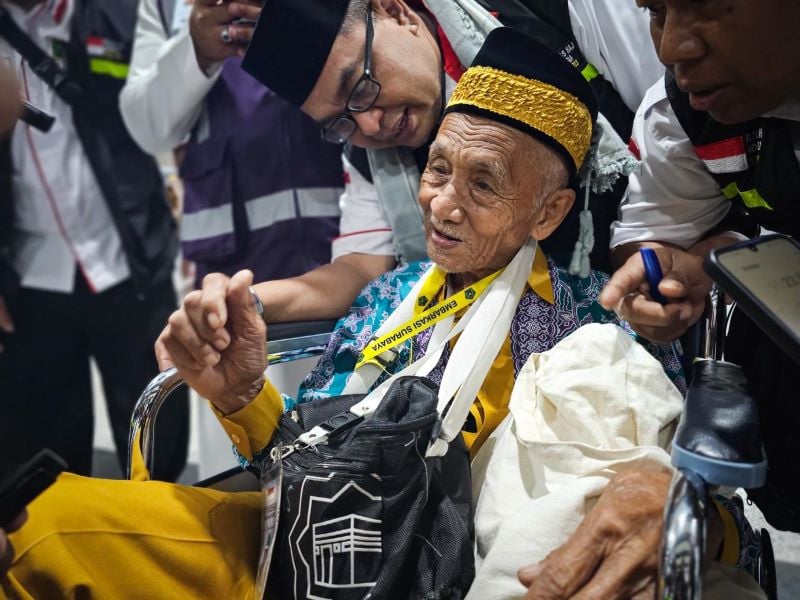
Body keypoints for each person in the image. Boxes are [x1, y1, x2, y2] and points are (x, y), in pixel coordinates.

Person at [3, 29, 681, 597]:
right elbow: (301, 459)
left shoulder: (588, 329)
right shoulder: (394, 297)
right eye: (438, 169)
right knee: (40, 520)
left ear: (550, 211)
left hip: (425, 572)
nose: (442, 204)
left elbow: (661, 488)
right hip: (302, 541)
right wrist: (242, 396)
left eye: (483, 183)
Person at [520, 1, 800, 597]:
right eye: (656, 12)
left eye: (709, 8)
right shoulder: (685, 110)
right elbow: (654, 230)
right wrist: (672, 270)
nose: (672, 47)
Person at [222, 0, 663, 325]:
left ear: (396, 12)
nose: (370, 125)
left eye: (360, 87)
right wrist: (247, 302)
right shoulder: (369, 158)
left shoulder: (544, 15)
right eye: (341, 120)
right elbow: (360, 269)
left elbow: (675, 128)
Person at [0, 0, 188, 481]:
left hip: (132, 263)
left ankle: (161, 549)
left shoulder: (122, 11)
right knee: (46, 465)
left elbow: (166, 110)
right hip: (28, 284)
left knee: (156, 441)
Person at [119, 0, 345, 287]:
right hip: (231, 268)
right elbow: (147, 128)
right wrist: (196, 50)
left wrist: (298, 19)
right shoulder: (165, 5)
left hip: (356, 236)